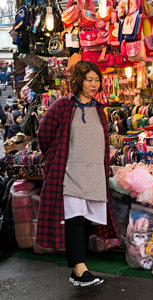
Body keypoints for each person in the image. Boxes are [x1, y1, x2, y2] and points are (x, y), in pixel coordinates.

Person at [37, 61, 119, 287]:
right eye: (89, 80)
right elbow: (43, 133)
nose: (93, 85)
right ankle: (80, 269)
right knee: (73, 219)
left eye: (96, 80)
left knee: (84, 221)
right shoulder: (63, 106)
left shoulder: (100, 110)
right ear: (78, 81)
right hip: (69, 172)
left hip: (93, 173)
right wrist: (54, 157)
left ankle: (78, 270)